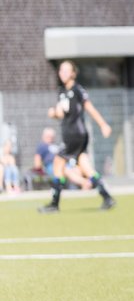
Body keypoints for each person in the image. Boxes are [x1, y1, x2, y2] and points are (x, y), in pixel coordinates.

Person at [39, 61, 116, 212]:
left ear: (73, 73)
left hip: (76, 135)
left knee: (58, 163)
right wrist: (54, 113)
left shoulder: (77, 90)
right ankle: (107, 197)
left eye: (67, 70)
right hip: (72, 135)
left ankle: (54, 204)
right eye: (61, 70)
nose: (63, 73)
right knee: (86, 167)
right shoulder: (62, 91)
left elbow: (89, 108)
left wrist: (103, 124)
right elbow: (61, 114)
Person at [1, 124, 19, 194]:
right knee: (8, 170)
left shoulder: (11, 155)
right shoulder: (1, 153)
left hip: (10, 168)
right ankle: (9, 187)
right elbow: (4, 163)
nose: (9, 148)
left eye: (10, 146)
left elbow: (12, 163)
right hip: (4, 168)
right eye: (7, 146)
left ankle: (16, 186)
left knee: (14, 169)